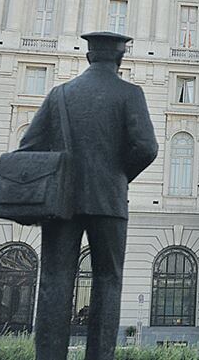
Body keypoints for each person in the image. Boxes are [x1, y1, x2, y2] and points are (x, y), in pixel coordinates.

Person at [22, 32, 158, 360]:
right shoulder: (130, 94)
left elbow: (28, 149)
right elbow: (146, 147)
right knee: (107, 283)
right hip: (109, 202)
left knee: (54, 281)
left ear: (88, 57)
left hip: (61, 202)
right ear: (120, 59)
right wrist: (118, 175)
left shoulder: (60, 95)